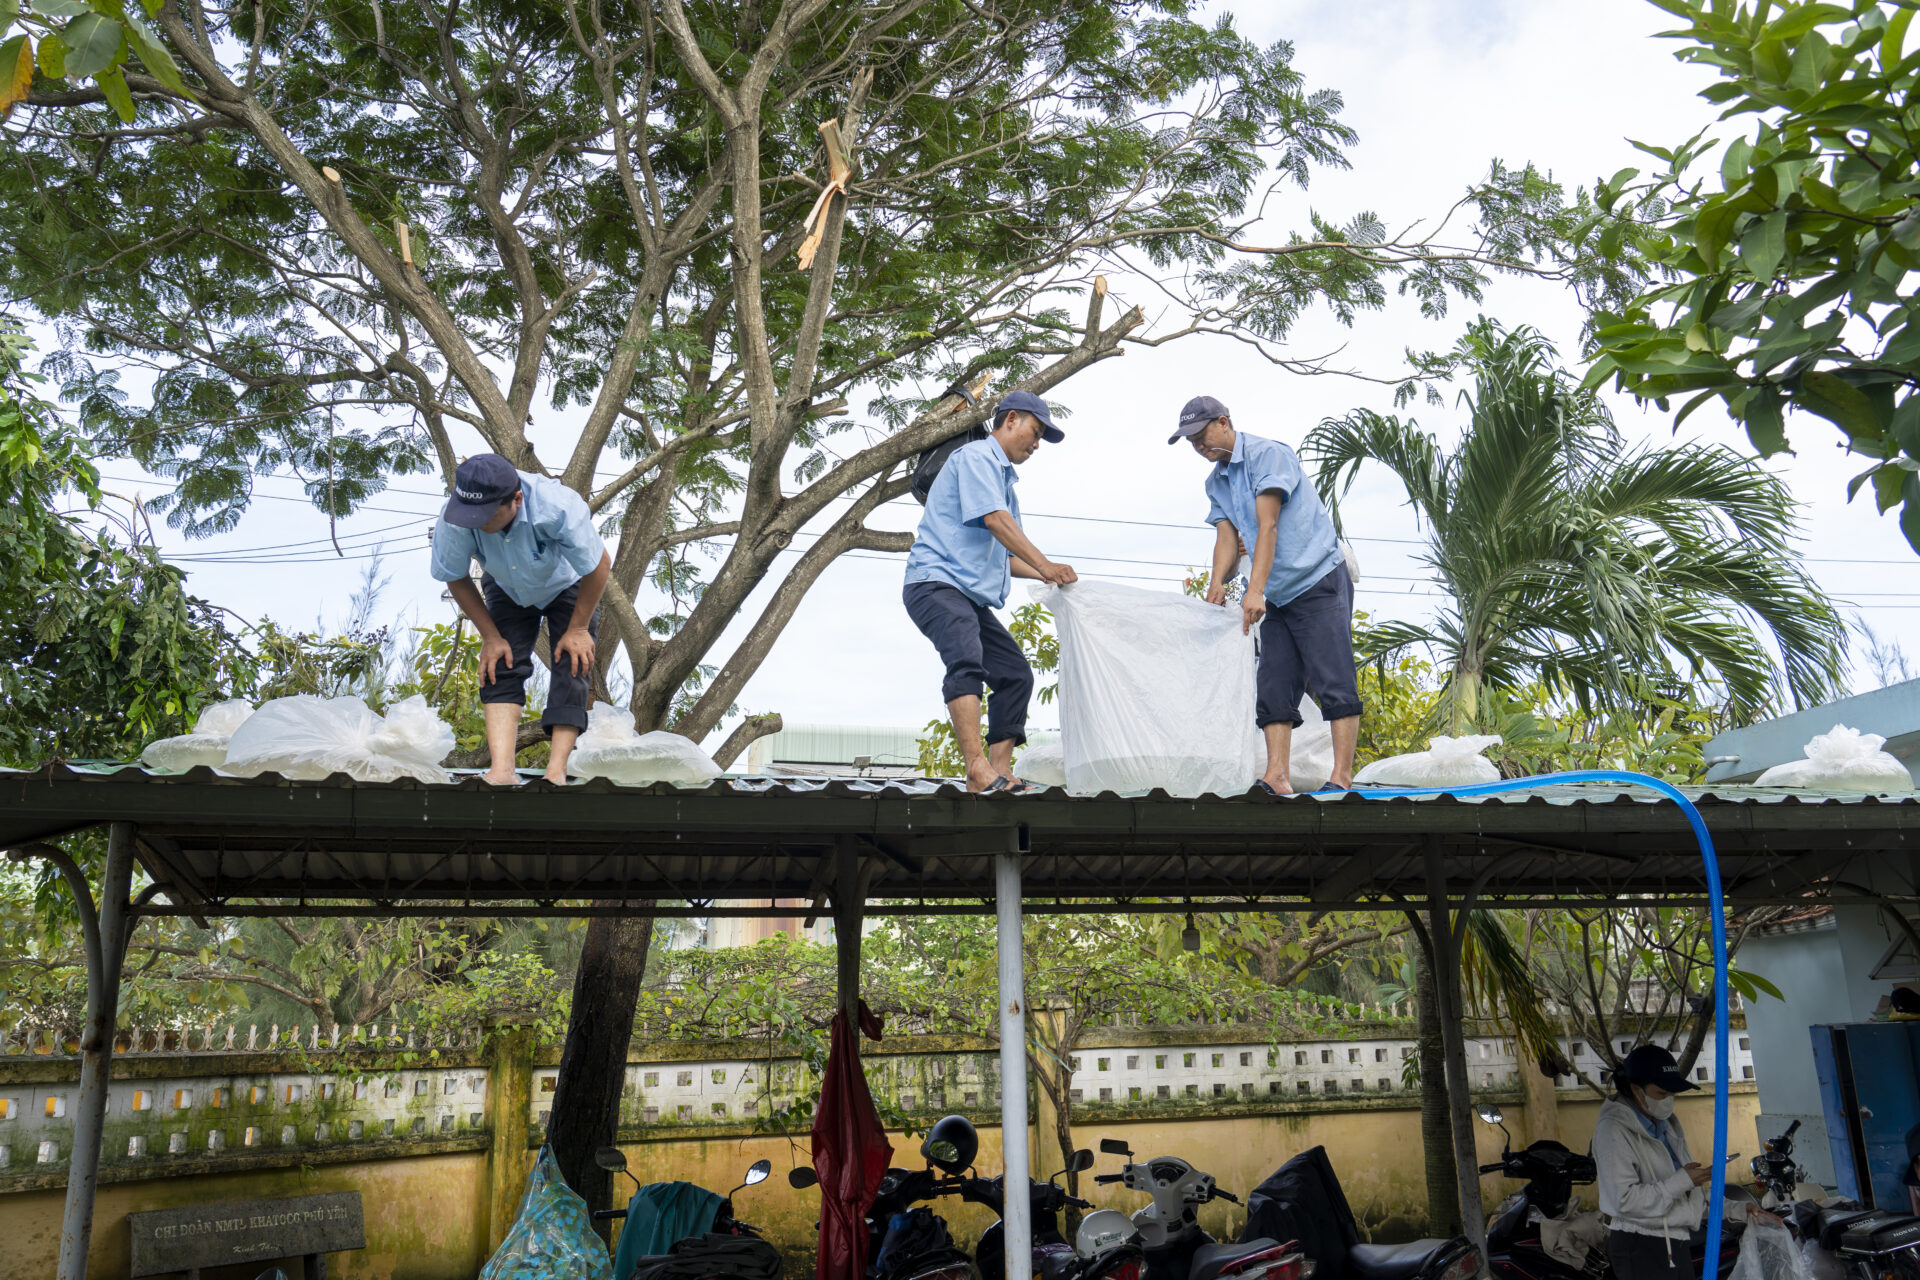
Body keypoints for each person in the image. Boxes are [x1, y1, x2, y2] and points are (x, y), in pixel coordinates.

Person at [1169, 396, 1361, 793]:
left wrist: (1253, 590)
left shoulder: (1267, 455)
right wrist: (1216, 584)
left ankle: (1341, 777)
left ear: (1224, 422)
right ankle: (1277, 775)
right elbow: (1227, 536)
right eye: (1191, 442)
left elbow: (1267, 525)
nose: (1199, 447)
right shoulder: (1216, 481)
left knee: (1333, 679)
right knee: (1274, 682)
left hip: (1317, 579)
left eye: (1202, 436)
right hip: (1277, 595)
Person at [903, 391, 1078, 793]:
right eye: (1035, 433)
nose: (1036, 445)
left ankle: (1000, 772)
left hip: (965, 594)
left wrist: (1047, 575)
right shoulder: (976, 458)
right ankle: (976, 768)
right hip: (935, 584)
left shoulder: (1005, 485)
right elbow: (997, 523)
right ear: (1011, 419)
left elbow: (1005, 555)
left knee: (1015, 674)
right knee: (967, 660)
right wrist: (1045, 563)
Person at [429, 453, 611, 785]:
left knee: (573, 662)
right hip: (505, 584)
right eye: (470, 514)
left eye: (485, 515)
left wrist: (579, 628)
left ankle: (556, 771)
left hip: (566, 583)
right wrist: (490, 637)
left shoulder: (556, 507)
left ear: (516, 499)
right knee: (499, 664)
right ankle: (502, 770)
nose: (475, 522)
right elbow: (454, 576)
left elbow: (598, 565)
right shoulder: (456, 517)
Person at [1594, 1044, 1774, 1279]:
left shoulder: (1666, 1124)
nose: (1668, 1101)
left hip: (1676, 1243)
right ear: (1636, 1090)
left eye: (1672, 1094)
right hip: (1640, 1246)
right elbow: (1623, 1201)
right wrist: (1683, 1181)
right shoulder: (1612, 1131)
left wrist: (1739, 1209)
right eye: (1661, 1094)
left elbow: (1689, 1196)